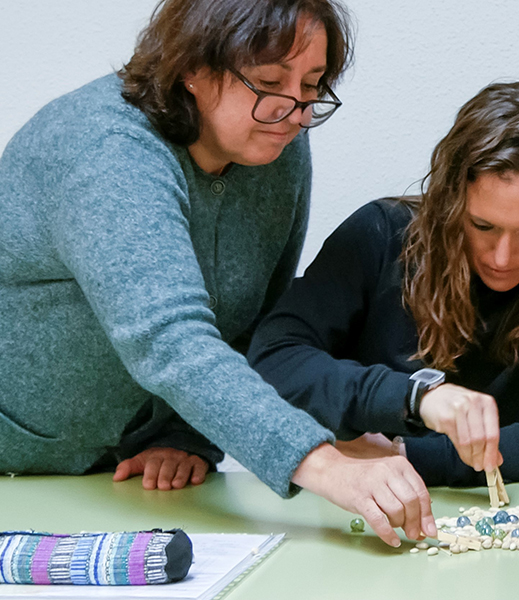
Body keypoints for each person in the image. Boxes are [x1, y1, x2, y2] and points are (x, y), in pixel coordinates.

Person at [0, 0, 435, 547]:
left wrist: (185, 434)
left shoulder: (275, 146)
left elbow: (251, 322)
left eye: (311, 85)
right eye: (270, 82)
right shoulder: (106, 150)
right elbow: (171, 341)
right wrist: (323, 462)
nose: (296, 111)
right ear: (192, 68)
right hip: (16, 462)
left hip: (123, 479)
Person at [247, 81, 519, 487]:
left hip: (518, 519)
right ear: (449, 200)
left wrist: (408, 455)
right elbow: (272, 360)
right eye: (482, 226)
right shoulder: (379, 234)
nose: (502, 257)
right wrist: (414, 398)